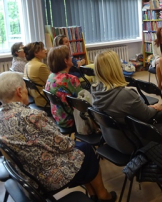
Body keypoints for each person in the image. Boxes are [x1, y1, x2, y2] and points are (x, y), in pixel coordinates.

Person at [0, 72, 116, 202]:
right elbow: (64, 144)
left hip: (27, 173)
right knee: (87, 151)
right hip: (46, 176)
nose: (28, 91)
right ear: (19, 91)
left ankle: (93, 193)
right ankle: (103, 195)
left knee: (82, 149)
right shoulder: (30, 116)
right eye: (26, 88)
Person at [92, 50, 162, 154]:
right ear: (115, 69)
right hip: (130, 144)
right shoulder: (125, 95)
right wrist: (155, 107)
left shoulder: (95, 91)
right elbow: (147, 115)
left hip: (110, 139)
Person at [45, 45, 84, 128]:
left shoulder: (50, 77)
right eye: (69, 56)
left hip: (58, 117)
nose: (71, 58)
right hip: (71, 119)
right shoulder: (70, 79)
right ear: (65, 60)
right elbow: (83, 102)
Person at [23, 41, 50, 107]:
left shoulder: (27, 64)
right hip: (44, 100)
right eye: (43, 49)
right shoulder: (40, 66)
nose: (45, 50)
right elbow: (52, 83)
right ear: (36, 53)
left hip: (35, 98)